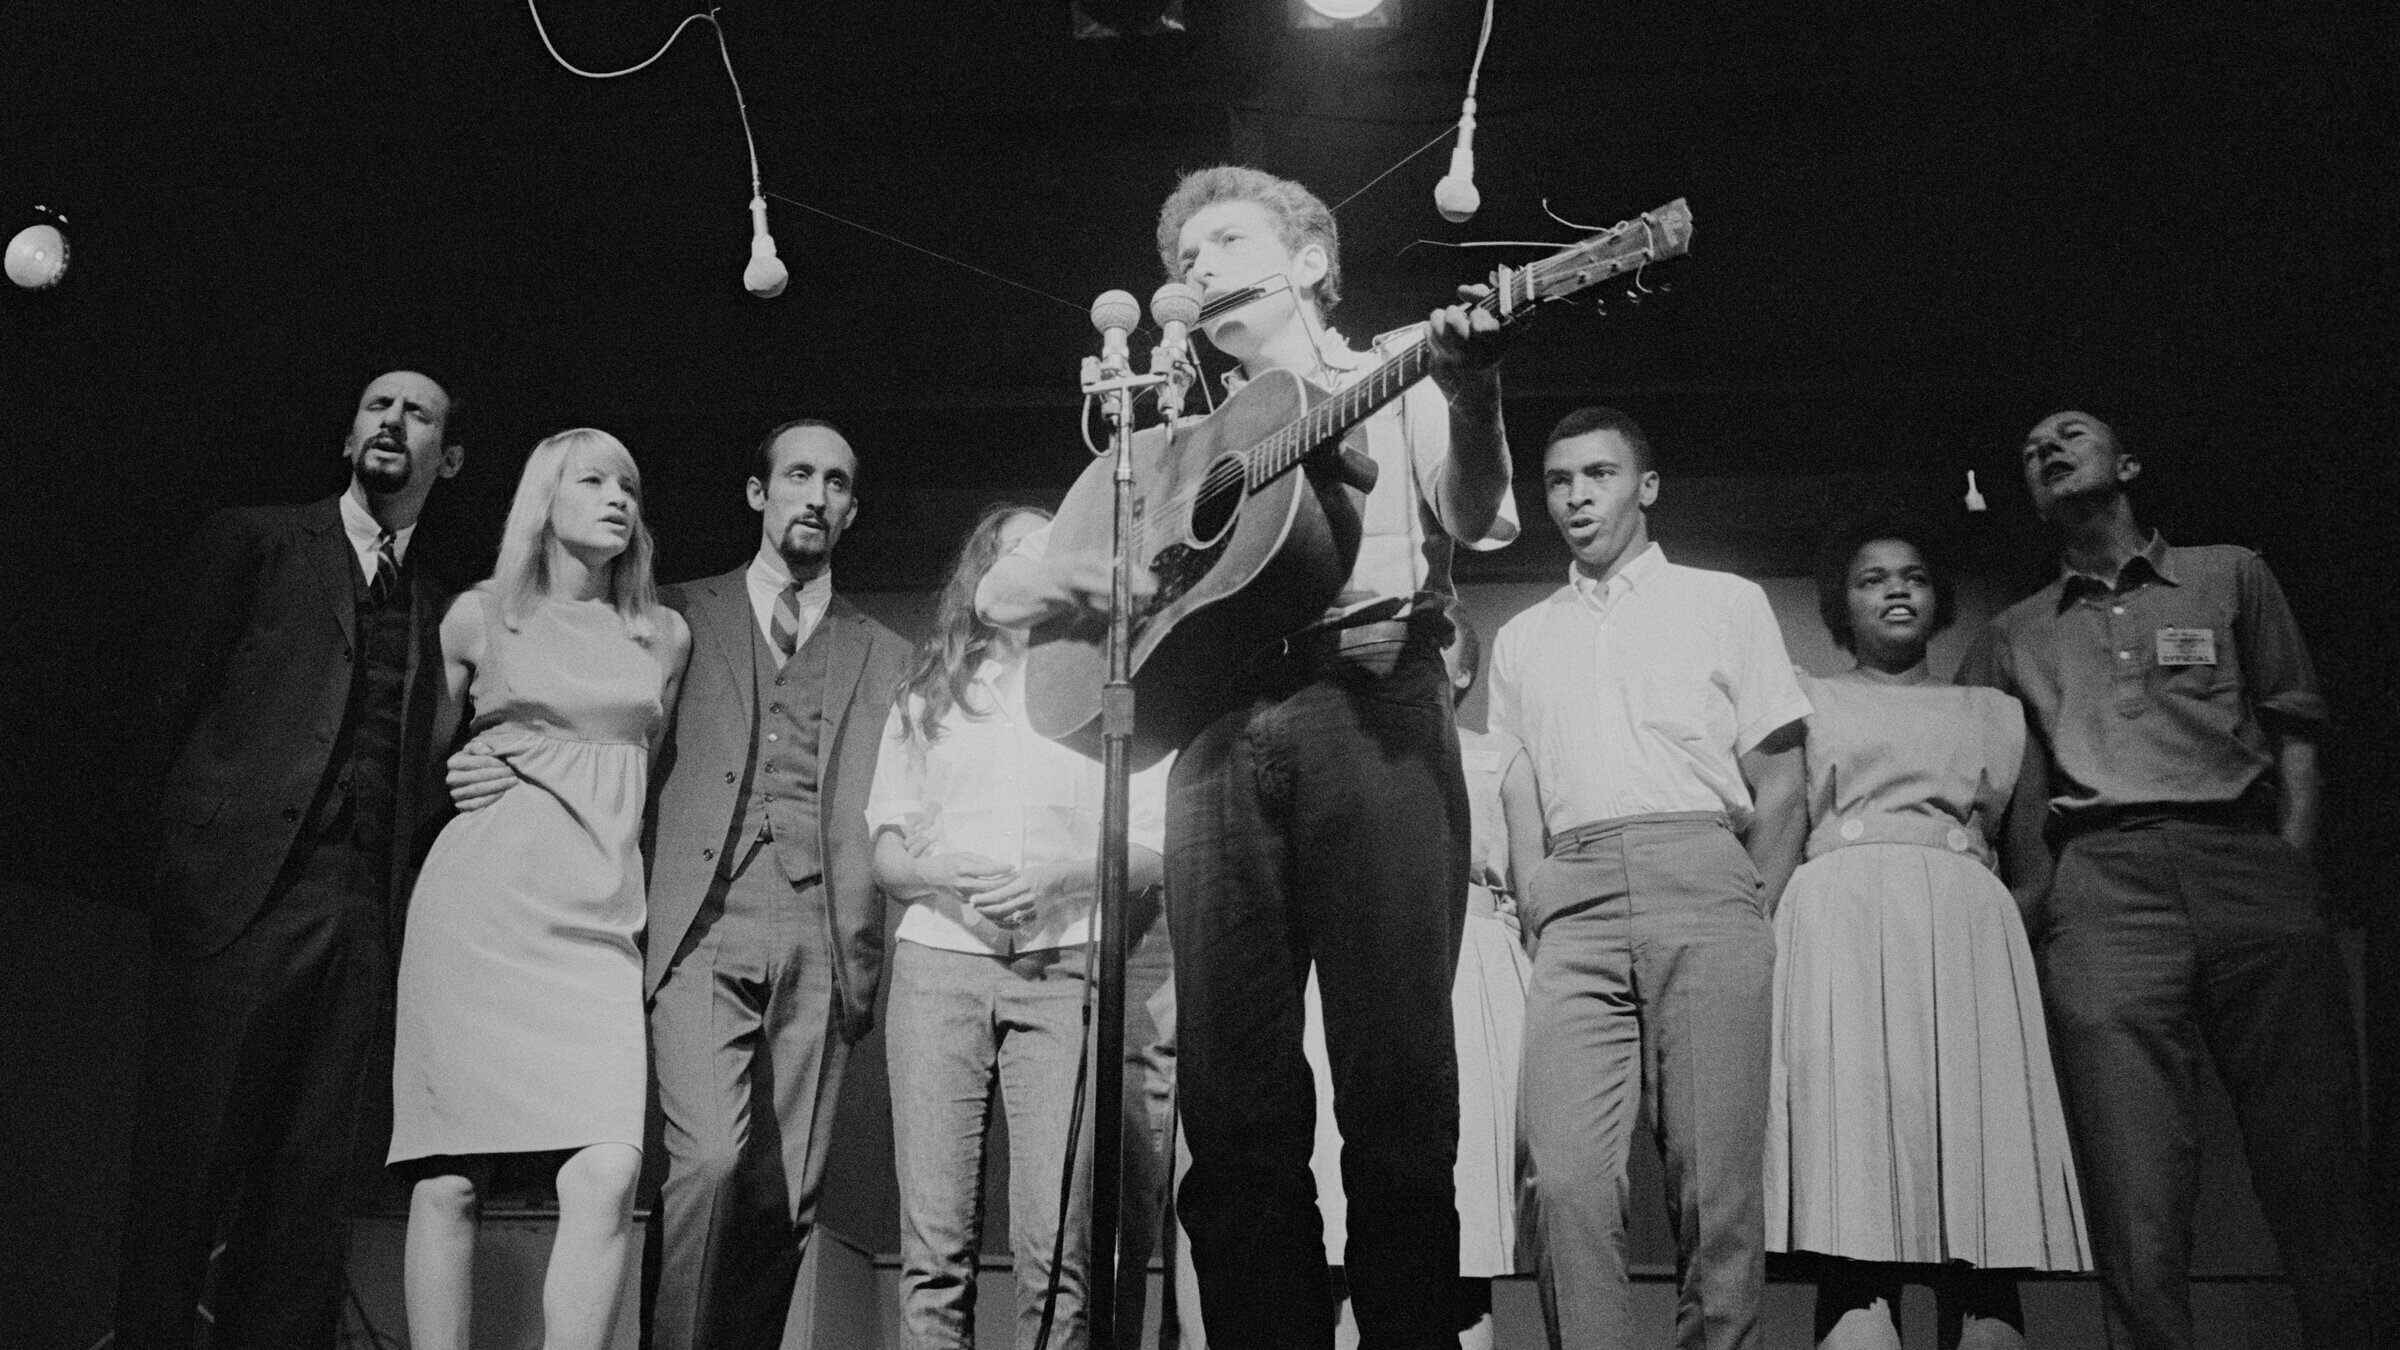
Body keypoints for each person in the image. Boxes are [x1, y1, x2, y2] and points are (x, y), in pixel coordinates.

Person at [978, 164, 1518, 1349]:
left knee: (1395, 1098)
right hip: (1219, 736)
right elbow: (1007, 588)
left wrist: (1475, 396)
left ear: (1312, 262)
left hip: (1371, 706)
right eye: (1185, 258)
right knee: (1233, 1115)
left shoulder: (1406, 368)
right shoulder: (1173, 450)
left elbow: (1476, 518)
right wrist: (1080, 573)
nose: (1199, 268)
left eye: (1224, 242)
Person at [448, 415, 912, 1349]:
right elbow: (583, 707)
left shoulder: (888, 655)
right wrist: (497, 756)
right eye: (796, 476)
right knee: (706, 1163)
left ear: (853, 509)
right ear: (759, 493)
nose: (814, 495)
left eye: (835, 482)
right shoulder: (676, 617)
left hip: (823, 937)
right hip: (700, 923)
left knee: (785, 1203)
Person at [1958, 408, 2386, 1349]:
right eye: (2031, 450)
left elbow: (2297, 730)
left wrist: (2289, 870)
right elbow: (2000, 793)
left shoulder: (2231, 573)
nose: (2047, 449)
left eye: (2071, 433)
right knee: (2136, 1184)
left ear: (2129, 461)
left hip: (2245, 862)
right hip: (2102, 887)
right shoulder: (2013, 633)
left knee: (2316, 1162)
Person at [116, 369, 464, 1349]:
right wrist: (186, 870)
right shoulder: (257, 542)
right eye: (376, 406)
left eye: (418, 413)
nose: (391, 421)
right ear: (351, 432)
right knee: (183, 1185)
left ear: (452, 455)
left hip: (354, 922)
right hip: (236, 906)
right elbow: (165, 707)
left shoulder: (436, 611)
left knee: (303, 1208)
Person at [1490, 406, 1811, 1350]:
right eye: (1559, 481)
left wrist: (1752, 902)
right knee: (1565, 1179)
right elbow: (1518, 790)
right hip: (1575, 897)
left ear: (1647, 486)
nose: (1578, 496)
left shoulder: (1726, 601)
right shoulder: (1521, 637)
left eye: (1599, 474)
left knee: (1714, 1187)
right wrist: (1539, 897)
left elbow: (1784, 779)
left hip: (1704, 876)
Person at [388, 428, 688, 1348]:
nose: (617, 497)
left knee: (605, 1171)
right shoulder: (478, 616)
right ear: (542, 500)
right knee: (450, 1178)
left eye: (629, 484)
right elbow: (420, 758)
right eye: (592, 480)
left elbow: (641, 765)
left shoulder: (660, 632)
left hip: (597, 926)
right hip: (479, 911)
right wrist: (470, 775)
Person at [1766, 519, 2088, 1350]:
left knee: (1979, 1232)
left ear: (1940, 597)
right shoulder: (1804, 698)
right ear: (1843, 602)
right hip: (1839, 938)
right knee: (1855, 1213)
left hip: (1965, 949)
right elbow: (1778, 827)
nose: (1895, 589)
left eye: (1912, 575)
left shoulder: (1993, 710)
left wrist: (1986, 942)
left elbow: (2033, 865)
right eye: (1871, 578)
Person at [866, 503, 1170, 1350]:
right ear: (986, 578)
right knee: (935, 1253)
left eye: (1051, 550)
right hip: (939, 968)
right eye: (1013, 554)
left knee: (1059, 1252)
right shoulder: (931, 694)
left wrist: (1059, 880)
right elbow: (887, 850)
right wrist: (940, 872)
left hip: (1065, 969)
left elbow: (1151, 846)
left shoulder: (1110, 691)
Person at [1301, 599, 1541, 1350]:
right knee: (1352, 1206)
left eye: (1433, 650)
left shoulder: (1498, 757)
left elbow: (1531, 887)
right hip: (1355, 950)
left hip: (1471, 964)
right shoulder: (1338, 748)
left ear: (1462, 668)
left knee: (1459, 1193)